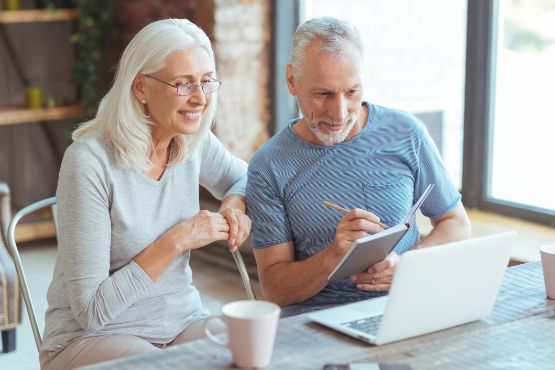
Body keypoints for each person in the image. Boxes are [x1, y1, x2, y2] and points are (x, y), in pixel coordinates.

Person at [40, 19, 251, 369]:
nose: (199, 98)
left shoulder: (192, 141)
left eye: (205, 81)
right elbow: (91, 311)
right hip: (90, 339)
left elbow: (245, 179)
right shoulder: (89, 162)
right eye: (183, 84)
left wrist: (233, 203)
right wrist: (178, 239)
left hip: (180, 323)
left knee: (256, 349)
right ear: (141, 87)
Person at [246, 17, 471, 317]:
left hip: (401, 309)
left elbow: (456, 223)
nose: (339, 113)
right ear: (292, 81)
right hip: (313, 324)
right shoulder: (269, 164)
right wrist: (334, 255)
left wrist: (407, 266)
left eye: (352, 92)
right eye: (323, 94)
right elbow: (275, 291)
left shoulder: (405, 132)